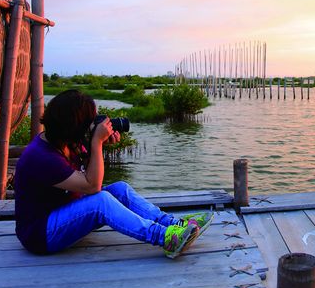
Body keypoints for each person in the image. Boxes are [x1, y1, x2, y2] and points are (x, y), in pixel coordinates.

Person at [14, 89, 213, 257]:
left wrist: (96, 146)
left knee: (120, 189)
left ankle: (173, 224)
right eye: (88, 121)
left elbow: (90, 178)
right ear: (73, 125)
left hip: (62, 214)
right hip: (41, 235)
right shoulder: (41, 156)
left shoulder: (65, 142)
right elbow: (92, 186)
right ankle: (165, 238)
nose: (91, 125)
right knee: (101, 201)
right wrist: (96, 143)